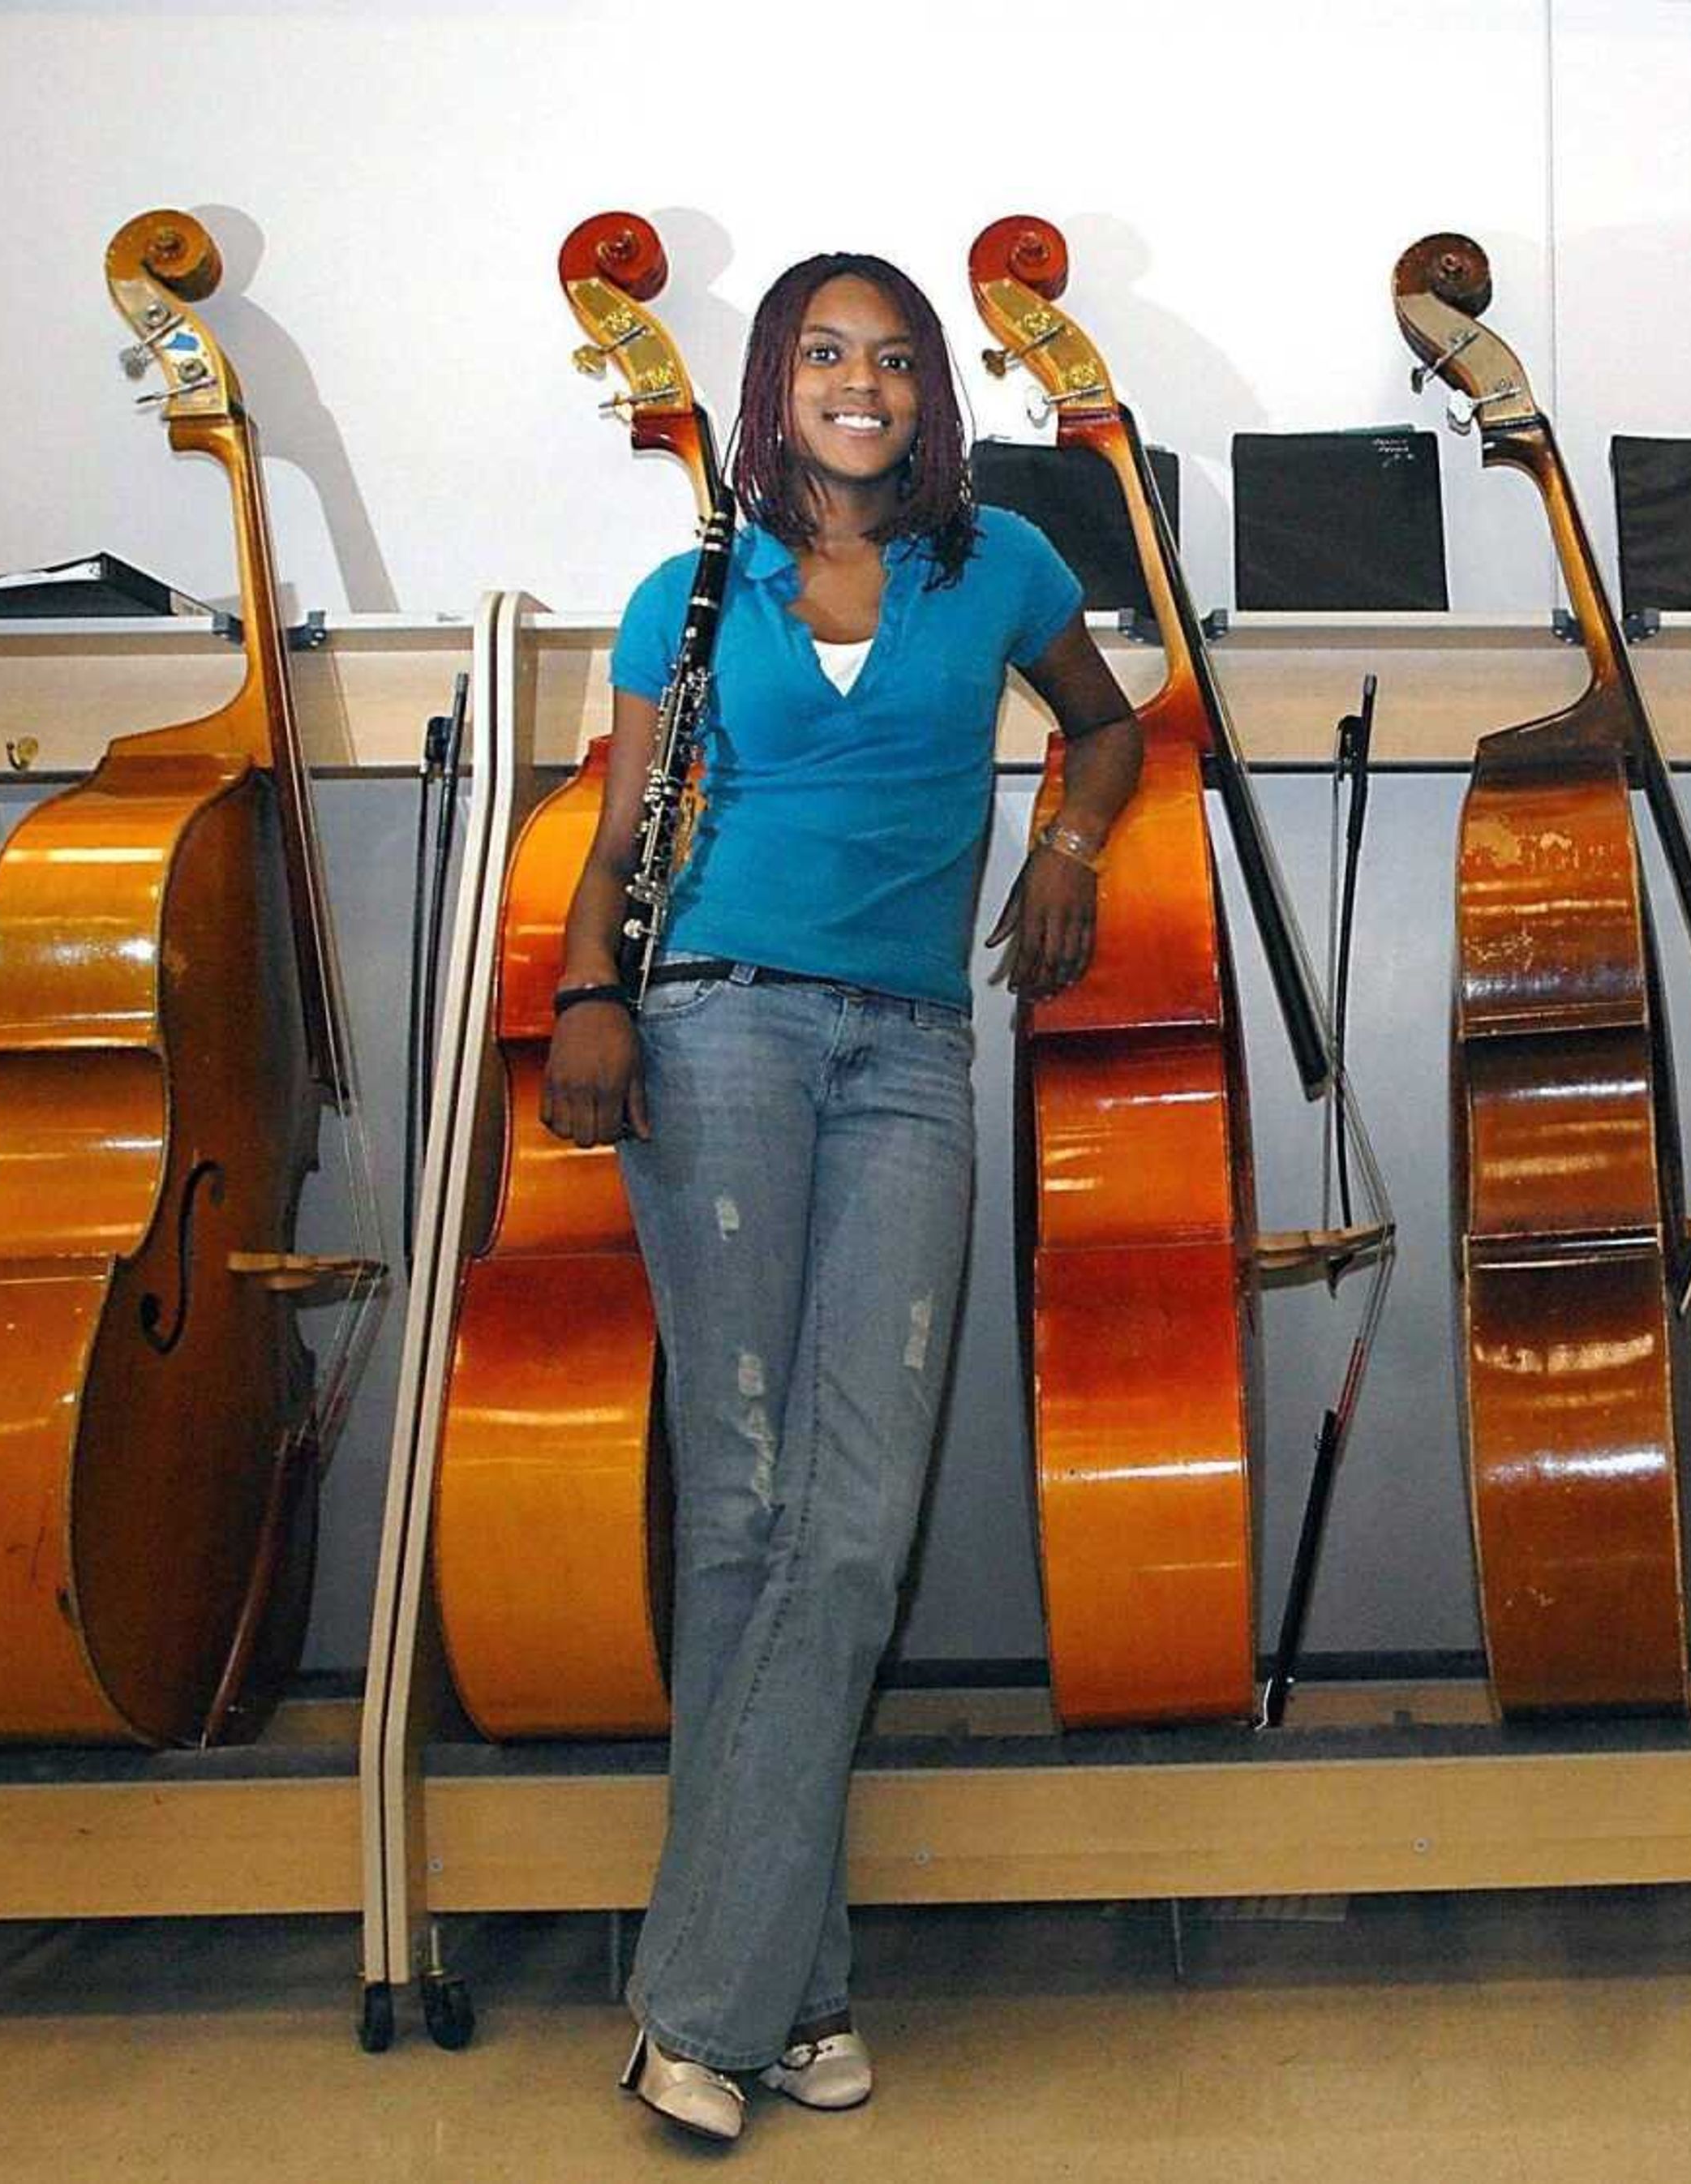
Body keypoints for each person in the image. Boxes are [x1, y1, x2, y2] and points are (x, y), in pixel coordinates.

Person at [542, 247, 1141, 2144]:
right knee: (743, 1509)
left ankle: (695, 2000)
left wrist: (1062, 839)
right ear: (771, 381)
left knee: (849, 1526)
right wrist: (584, 999)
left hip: (906, 1054)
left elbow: (1109, 724)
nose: (859, 384)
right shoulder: (685, 591)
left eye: (891, 359)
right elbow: (632, 825)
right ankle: (789, 1997)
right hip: (711, 1035)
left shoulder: (1003, 570)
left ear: (932, 398)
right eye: (824, 353)